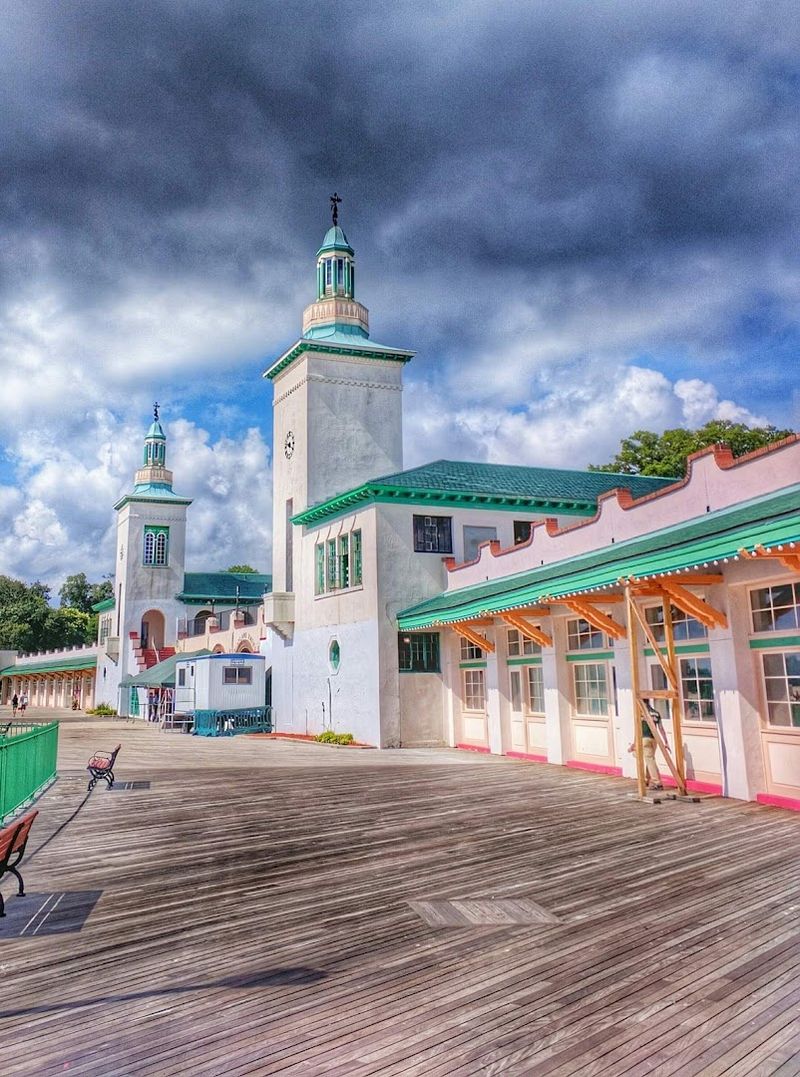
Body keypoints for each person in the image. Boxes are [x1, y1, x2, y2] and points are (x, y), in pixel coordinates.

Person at [628, 702, 663, 790]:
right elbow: (661, 729)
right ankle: (648, 779)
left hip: (644, 739)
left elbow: (637, 730)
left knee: (649, 760)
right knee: (650, 759)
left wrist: (634, 743)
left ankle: (656, 782)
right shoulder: (656, 713)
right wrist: (665, 742)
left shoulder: (641, 714)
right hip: (654, 739)